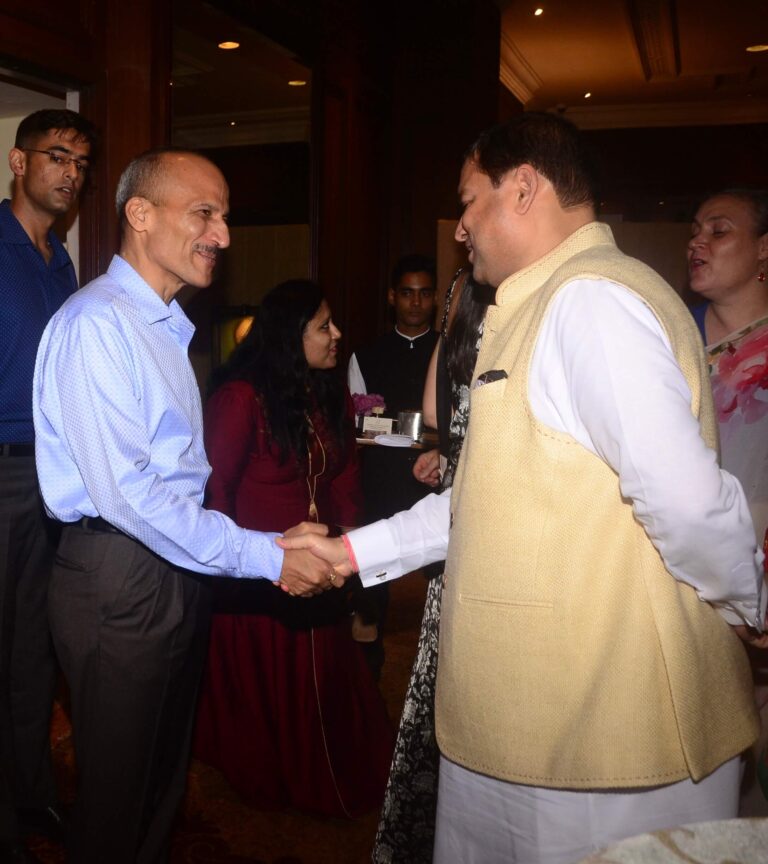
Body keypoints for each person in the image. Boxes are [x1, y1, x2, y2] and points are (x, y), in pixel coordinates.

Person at [280, 113, 767, 864]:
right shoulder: (544, 302)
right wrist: (347, 553)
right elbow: (483, 503)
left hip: (604, 733)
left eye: (470, 202)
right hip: (532, 723)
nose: (461, 227)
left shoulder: (591, 303)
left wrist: (745, 604)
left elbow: (687, 499)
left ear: (525, 189)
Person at [32, 148, 337, 864]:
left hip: (166, 569)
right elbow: (132, 497)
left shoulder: (162, 327)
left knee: (161, 783)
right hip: (118, 576)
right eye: (205, 213)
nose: (224, 235)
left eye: (224, 216)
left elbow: (175, 485)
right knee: (115, 803)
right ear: (140, 215)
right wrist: (265, 554)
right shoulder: (96, 326)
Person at [194, 279, 393, 818]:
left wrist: (348, 548)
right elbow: (214, 498)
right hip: (258, 583)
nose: (337, 335)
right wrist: (246, 566)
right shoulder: (239, 399)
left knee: (331, 693)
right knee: (270, 706)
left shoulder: (321, 391)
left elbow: (346, 474)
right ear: (290, 336)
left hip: (321, 572)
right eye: (323, 326)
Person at [0, 108, 96, 864]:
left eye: (81, 161)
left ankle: (30, 792)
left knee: (36, 648)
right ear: (18, 162)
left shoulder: (61, 259)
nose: (70, 172)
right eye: (56, 156)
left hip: (50, 475)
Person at [373, 268, 489, 863]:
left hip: (482, 558)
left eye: (443, 299)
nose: (432, 305)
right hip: (462, 541)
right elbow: (448, 439)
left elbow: (438, 422)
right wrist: (447, 458)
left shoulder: (469, 345)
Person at [688, 188, 768, 814]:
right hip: (683, 578)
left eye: (720, 231)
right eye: (695, 230)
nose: (698, 242)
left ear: (764, 250)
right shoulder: (669, 337)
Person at [347, 255, 439, 674]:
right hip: (382, 477)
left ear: (434, 298)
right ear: (392, 297)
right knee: (375, 575)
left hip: (437, 478)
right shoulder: (365, 355)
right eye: (407, 293)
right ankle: (368, 654)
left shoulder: (449, 350)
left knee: (441, 578)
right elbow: (359, 426)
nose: (415, 303)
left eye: (423, 293)